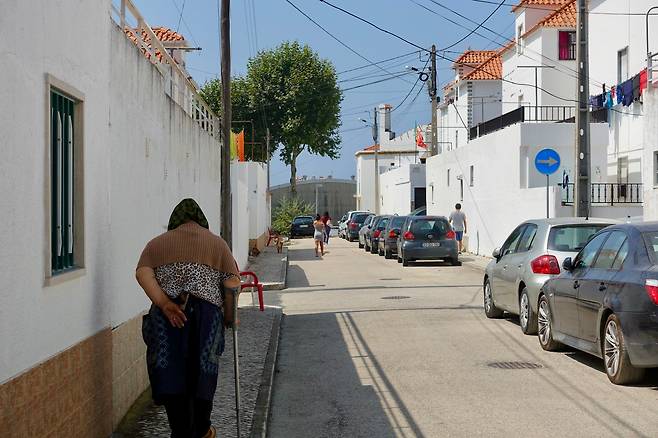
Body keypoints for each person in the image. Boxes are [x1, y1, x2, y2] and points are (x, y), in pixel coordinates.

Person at [135, 198, 241, 438]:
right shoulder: (217, 244)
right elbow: (232, 283)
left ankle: (181, 429)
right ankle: (202, 429)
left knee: (172, 373)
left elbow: (142, 272)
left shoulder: (156, 245)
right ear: (201, 220)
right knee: (203, 373)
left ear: (175, 221)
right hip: (206, 319)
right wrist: (230, 317)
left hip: (168, 317)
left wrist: (163, 303)